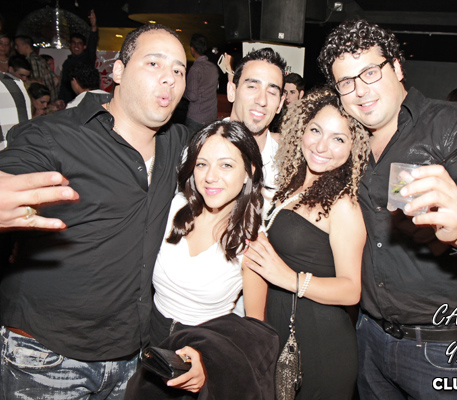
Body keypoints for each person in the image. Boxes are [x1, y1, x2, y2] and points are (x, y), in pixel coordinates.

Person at [317, 19, 457, 399]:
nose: (360, 90)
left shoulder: (455, 126)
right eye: (346, 82)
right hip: (369, 336)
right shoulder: (348, 144)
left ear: (396, 67)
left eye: (370, 72)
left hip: (443, 347)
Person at [0, 23, 191, 398]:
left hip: (132, 359)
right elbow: (12, 173)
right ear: (118, 71)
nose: (169, 77)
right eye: (154, 63)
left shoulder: (180, 143)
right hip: (47, 357)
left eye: (179, 70)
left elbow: (239, 145)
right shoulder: (54, 136)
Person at [126, 120, 277, 397]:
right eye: (202, 164)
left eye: (226, 165)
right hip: (148, 345)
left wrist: (208, 363)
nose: (210, 177)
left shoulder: (252, 241)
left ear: (249, 172)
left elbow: (254, 333)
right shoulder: (173, 209)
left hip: (204, 356)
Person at [244, 88, 369, 399]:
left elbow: (351, 290)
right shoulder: (294, 184)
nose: (321, 146)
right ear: (302, 129)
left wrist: (289, 279)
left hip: (320, 345)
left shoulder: (343, 205)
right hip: (282, 332)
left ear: (354, 147)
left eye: (338, 138)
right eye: (315, 130)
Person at [226, 47, 286, 209]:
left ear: (280, 103)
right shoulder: (201, 150)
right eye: (252, 86)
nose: (262, 100)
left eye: (272, 92)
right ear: (232, 91)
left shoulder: (286, 167)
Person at [58, 10, 98, 104]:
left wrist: (94, 26)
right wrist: (61, 99)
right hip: (68, 102)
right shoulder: (67, 62)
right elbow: (64, 85)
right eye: (74, 43)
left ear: (84, 47)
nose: (76, 45)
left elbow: (92, 44)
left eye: (79, 43)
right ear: (70, 45)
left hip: (84, 101)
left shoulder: (87, 59)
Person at [183, 33, 219, 131]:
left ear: (192, 49)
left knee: (192, 141)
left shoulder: (195, 69)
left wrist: (182, 91)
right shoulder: (213, 68)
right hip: (211, 117)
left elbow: (192, 96)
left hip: (196, 118)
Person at [14, 35, 58, 102]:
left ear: (26, 46)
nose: (16, 47)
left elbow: (38, 82)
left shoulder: (33, 60)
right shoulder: (37, 58)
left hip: (43, 99)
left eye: (18, 45)